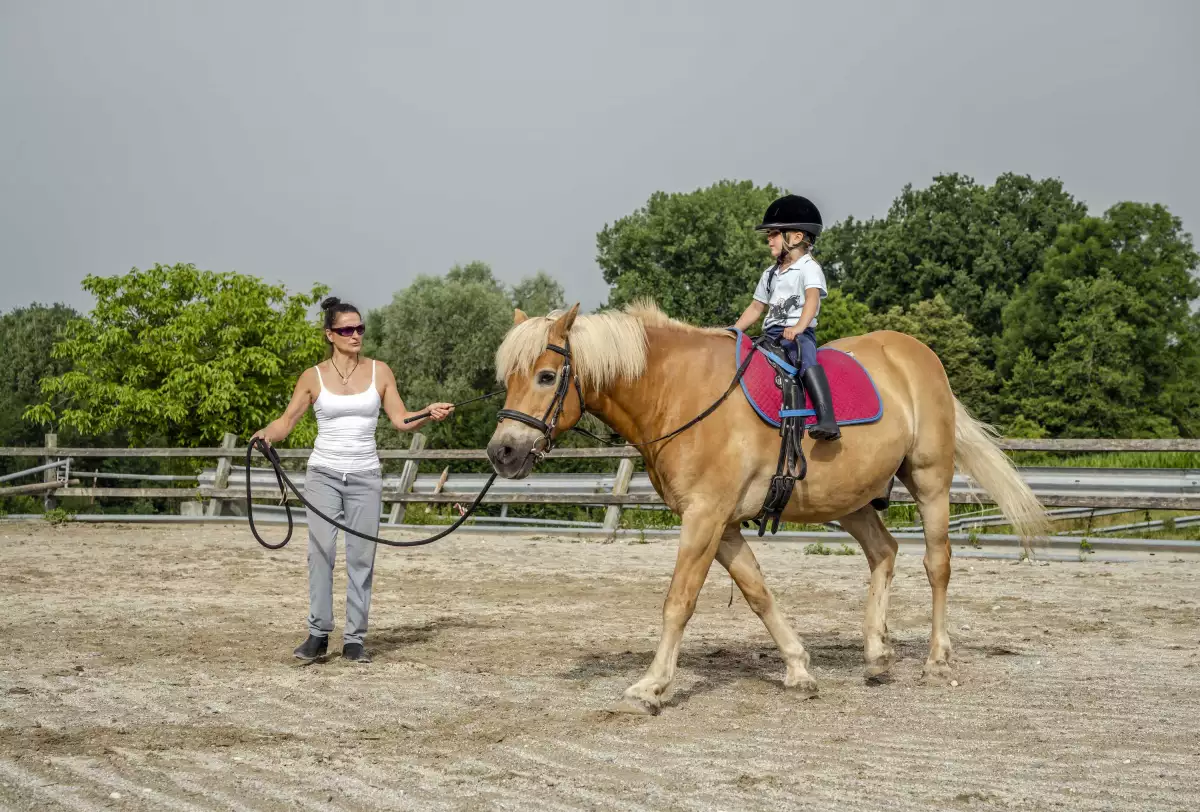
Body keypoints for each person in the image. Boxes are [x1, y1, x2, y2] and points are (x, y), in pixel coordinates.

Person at [251, 296, 454, 663]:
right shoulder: (312, 377)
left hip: (365, 475)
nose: (356, 334)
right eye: (347, 330)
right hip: (323, 474)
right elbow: (287, 421)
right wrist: (266, 434)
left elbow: (400, 420)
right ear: (330, 334)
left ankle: (354, 640)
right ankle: (318, 634)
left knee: (361, 558)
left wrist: (427, 413)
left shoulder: (380, 371)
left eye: (360, 328)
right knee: (321, 555)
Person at [732, 194, 840, 441]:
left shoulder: (808, 267)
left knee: (806, 359)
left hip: (797, 335)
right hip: (771, 335)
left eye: (774, 234)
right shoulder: (770, 273)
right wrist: (733, 331)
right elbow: (756, 307)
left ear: (797, 237)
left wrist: (799, 327)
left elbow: (812, 300)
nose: (768, 240)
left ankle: (827, 419)